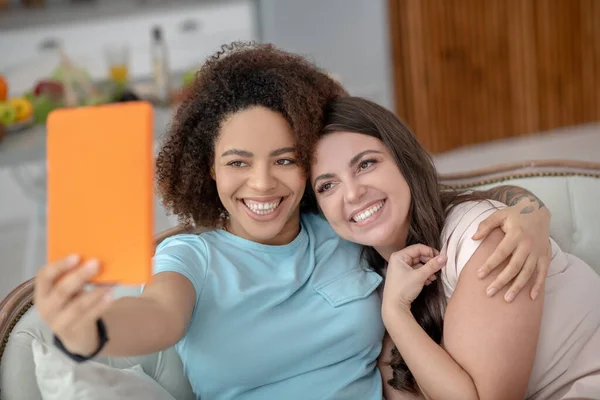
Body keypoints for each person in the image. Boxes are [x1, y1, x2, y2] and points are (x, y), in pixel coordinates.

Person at [35, 43, 551, 400]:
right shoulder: (192, 257)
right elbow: (158, 316)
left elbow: (440, 197)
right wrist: (90, 332)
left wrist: (531, 215)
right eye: (238, 162)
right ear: (206, 169)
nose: (262, 184)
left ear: (309, 165)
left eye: (284, 159)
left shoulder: (346, 227)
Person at [310, 96, 600, 400]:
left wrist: (396, 316)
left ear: (403, 160)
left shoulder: (485, 237)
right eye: (327, 186)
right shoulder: (377, 279)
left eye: (366, 164)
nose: (353, 193)